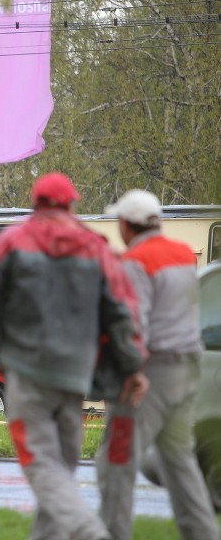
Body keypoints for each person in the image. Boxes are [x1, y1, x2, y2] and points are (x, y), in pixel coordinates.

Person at [0, 172, 149, 540]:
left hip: (26, 372)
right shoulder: (95, 247)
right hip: (75, 377)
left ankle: (90, 533)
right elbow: (121, 311)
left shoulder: (12, 241)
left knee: (42, 466)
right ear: (71, 203)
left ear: (36, 203)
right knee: (62, 466)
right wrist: (132, 366)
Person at [96, 189, 219, 540]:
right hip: (187, 369)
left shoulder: (137, 261)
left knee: (115, 462)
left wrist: (132, 372)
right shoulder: (182, 255)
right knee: (179, 462)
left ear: (126, 224)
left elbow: (135, 322)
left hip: (151, 374)